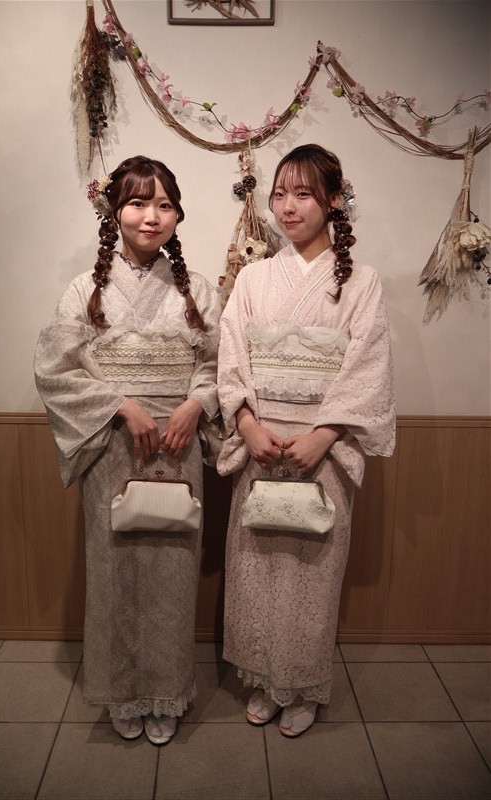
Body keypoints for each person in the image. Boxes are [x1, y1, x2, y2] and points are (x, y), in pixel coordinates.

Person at [34, 156, 221, 745]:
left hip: (179, 444)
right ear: (114, 212)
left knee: (174, 570)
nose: (151, 216)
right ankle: (122, 692)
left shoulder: (197, 290)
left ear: (177, 215)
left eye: (164, 205)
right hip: (112, 445)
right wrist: (121, 404)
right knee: (114, 569)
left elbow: (220, 363)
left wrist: (197, 403)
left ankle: (166, 692)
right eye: (138, 203)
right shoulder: (83, 290)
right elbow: (56, 369)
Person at [217, 143, 395, 737]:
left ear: (334, 199)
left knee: (312, 570)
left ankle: (301, 685)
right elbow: (231, 356)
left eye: (303, 194)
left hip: (322, 452)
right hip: (261, 444)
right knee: (256, 565)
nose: (287, 207)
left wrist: (324, 434)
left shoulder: (361, 282)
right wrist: (247, 425)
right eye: (279, 194)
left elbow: (367, 365)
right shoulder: (253, 278)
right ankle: (263, 680)